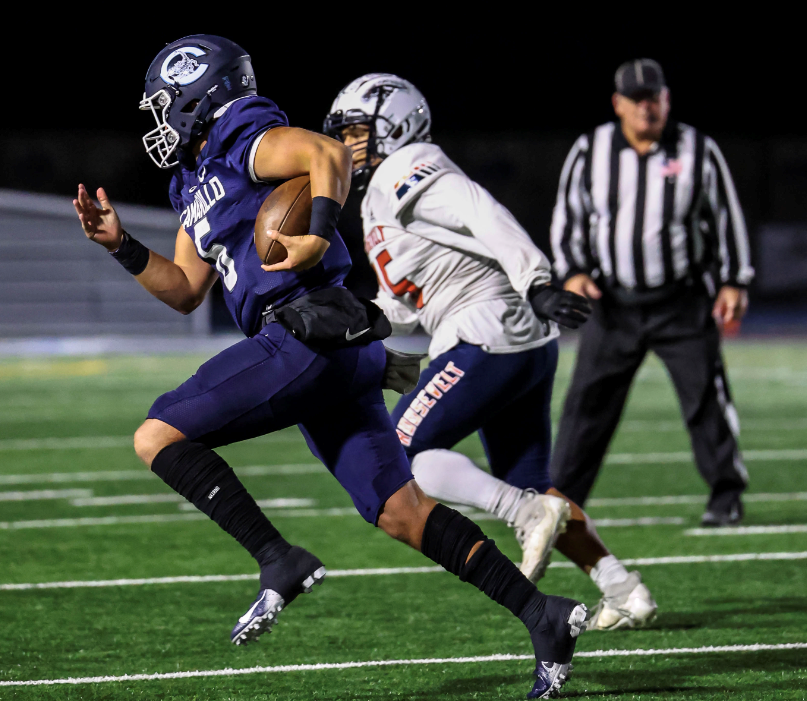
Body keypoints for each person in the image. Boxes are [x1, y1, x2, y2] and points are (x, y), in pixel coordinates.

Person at [72, 36, 588, 699]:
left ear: (200, 96)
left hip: (306, 332)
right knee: (400, 511)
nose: (160, 121)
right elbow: (183, 290)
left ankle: (277, 558)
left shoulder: (242, 134)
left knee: (156, 435)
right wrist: (121, 246)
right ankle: (541, 614)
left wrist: (316, 232)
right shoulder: (191, 181)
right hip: (331, 350)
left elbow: (324, 154)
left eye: (166, 105)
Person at [324, 73, 657, 632]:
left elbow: (481, 210)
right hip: (514, 340)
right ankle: (625, 590)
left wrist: (537, 280)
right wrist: (360, 323)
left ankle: (523, 514)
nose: (349, 144)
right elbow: (407, 300)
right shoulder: (384, 191)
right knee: (534, 482)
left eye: (359, 131)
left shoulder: (406, 166)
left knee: (398, 453)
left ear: (395, 125)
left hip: (489, 328)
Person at [549, 59, 753, 526]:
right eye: (636, 99)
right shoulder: (591, 149)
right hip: (613, 303)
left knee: (705, 397)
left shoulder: (697, 148)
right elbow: (568, 217)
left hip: (681, 301)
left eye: (654, 97)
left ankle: (726, 494)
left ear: (666, 100)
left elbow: (726, 217)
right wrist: (573, 271)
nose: (646, 107)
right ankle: (560, 500)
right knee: (587, 405)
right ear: (618, 103)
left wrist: (734, 279)